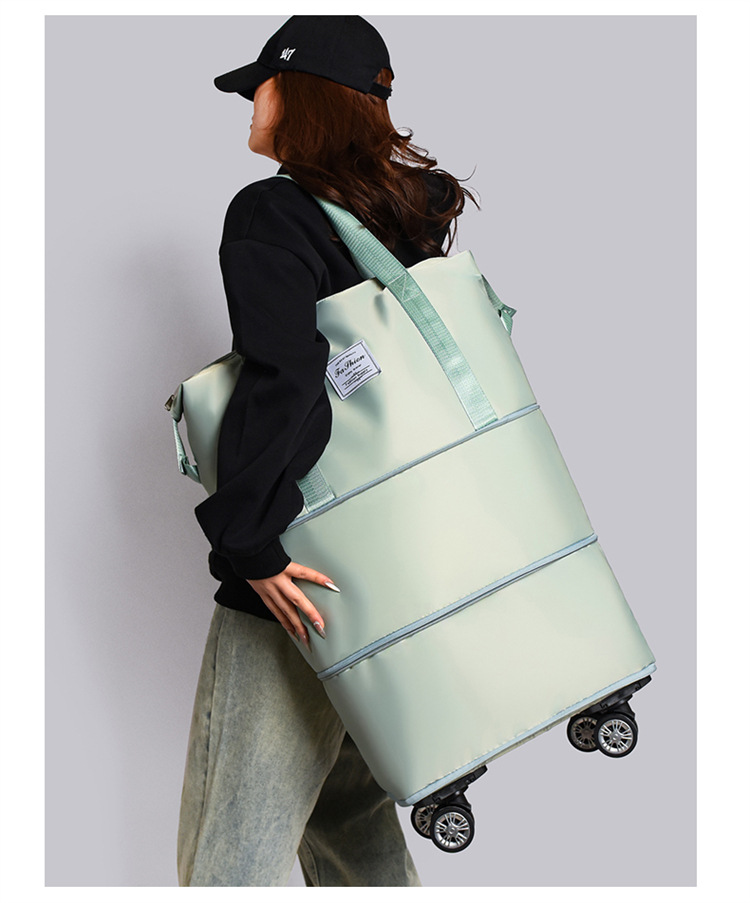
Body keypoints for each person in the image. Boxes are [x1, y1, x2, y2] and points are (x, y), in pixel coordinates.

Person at [177, 15, 476, 887]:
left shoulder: (270, 211)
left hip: (298, 569)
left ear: (302, 95)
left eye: (261, 84)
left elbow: (288, 374)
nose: (249, 100)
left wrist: (251, 542)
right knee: (348, 823)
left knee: (227, 855)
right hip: (396, 569)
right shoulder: (399, 219)